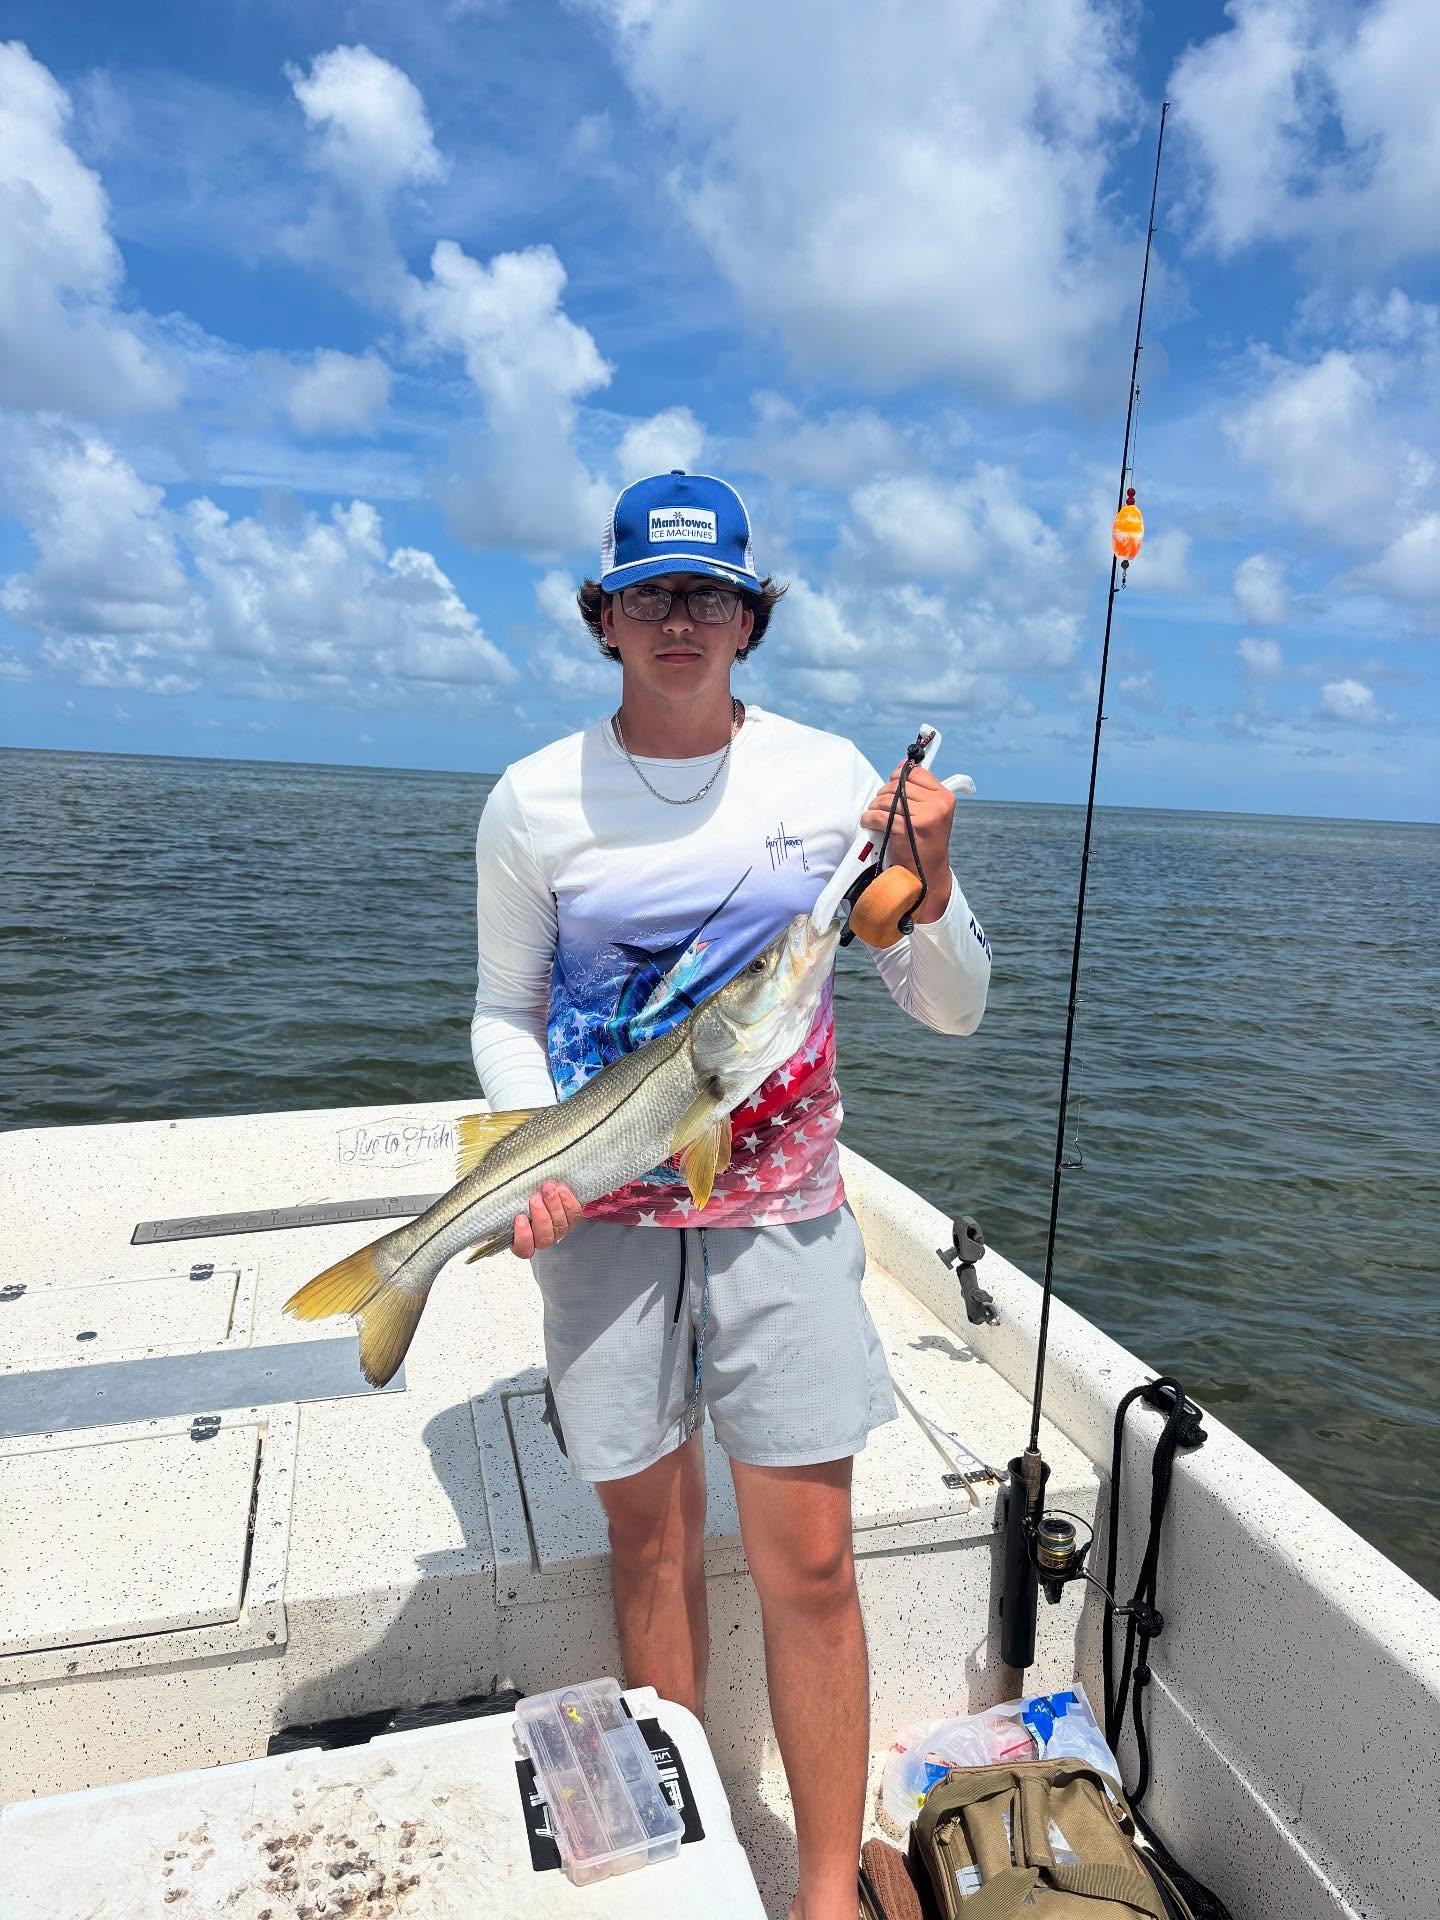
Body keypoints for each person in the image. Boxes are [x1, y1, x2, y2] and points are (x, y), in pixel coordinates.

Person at [471, 470, 991, 1920]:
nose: (678, 618)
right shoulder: (531, 799)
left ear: (751, 619)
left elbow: (946, 1007)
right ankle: (694, 1867)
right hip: (602, 1222)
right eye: (649, 592)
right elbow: (503, 1014)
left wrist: (934, 886)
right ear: (605, 617)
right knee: (646, 1542)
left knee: (811, 1559)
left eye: (709, 593)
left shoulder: (833, 784)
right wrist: (540, 1152)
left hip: (785, 1212)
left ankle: (827, 1890)